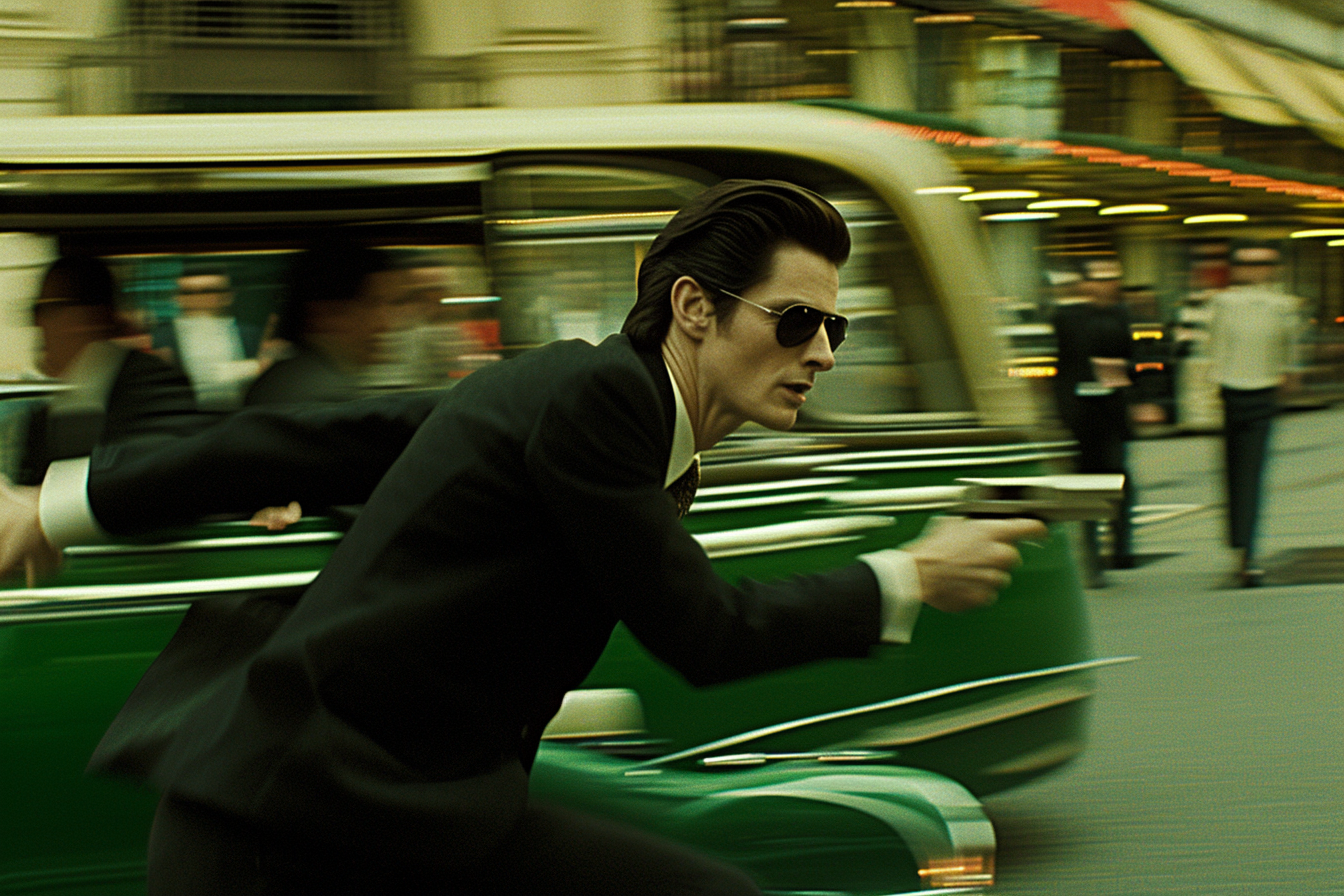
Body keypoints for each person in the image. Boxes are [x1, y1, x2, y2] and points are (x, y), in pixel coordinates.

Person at [0, 180, 1045, 895]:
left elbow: (323, 439)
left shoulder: (579, 398)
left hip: (408, 815)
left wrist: (59, 504)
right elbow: (704, 629)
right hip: (289, 835)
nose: (820, 349)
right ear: (691, 306)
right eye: (792, 320)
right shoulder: (602, 400)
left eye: (835, 327)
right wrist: (907, 572)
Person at [18, 254, 206, 486]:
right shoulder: (43, 416)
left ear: (93, 316)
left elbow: (158, 479)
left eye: (46, 309)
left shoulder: (155, 387)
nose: (37, 324)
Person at [1207, 244, 1302, 587]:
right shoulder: (1222, 303)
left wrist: (1288, 376)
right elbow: (1214, 349)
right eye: (1247, 264)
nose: (1256, 270)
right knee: (1235, 473)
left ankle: (1246, 551)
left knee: (1251, 474)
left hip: (1263, 392)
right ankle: (1241, 546)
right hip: (1232, 392)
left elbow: (1290, 352)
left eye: (1264, 263)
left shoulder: (1283, 306)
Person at [1050, 256, 1135, 585]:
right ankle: (1092, 558)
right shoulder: (1066, 318)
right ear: (1085, 284)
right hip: (1081, 412)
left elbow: (1132, 360)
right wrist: (1064, 410)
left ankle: (1121, 547)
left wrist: (1138, 397)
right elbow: (1062, 366)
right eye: (1099, 278)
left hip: (1112, 409)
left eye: (1111, 278)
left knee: (1117, 476)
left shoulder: (1122, 316)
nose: (1106, 285)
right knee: (1085, 483)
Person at [245, 240, 398, 406]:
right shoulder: (329, 399)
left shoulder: (287, 377)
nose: (384, 325)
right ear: (326, 312)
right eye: (371, 304)